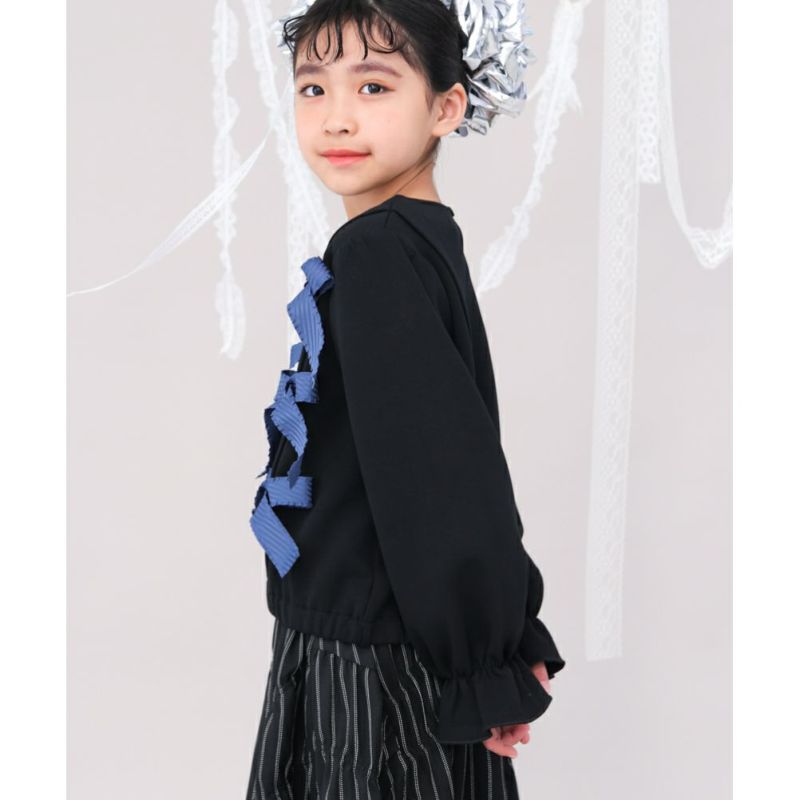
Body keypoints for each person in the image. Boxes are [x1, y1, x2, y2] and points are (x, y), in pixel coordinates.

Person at [245, 1, 566, 798]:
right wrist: (496, 642)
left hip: (372, 668)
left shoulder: (378, 252)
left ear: (446, 108)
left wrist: (482, 660)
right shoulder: (419, 236)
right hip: (400, 643)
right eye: (313, 89)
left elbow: (438, 476)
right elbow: (464, 453)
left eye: (374, 87)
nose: (337, 116)